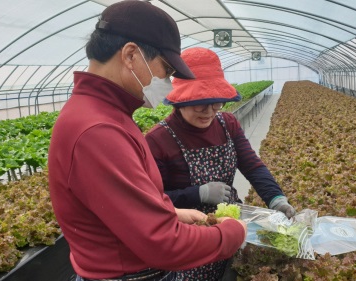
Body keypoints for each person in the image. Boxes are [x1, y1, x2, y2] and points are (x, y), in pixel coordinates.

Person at [47, 2, 247, 281]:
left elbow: (120, 209)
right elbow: (164, 244)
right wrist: (232, 232)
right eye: (165, 69)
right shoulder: (98, 129)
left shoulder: (104, 114)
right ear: (131, 55)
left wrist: (170, 212)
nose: (165, 81)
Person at [145, 47, 297, 280]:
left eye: (217, 103)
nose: (209, 112)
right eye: (200, 104)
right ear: (180, 100)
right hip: (189, 238)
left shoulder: (227, 123)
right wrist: (198, 194)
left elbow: (252, 166)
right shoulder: (158, 139)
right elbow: (153, 203)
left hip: (230, 224)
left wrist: (277, 199)